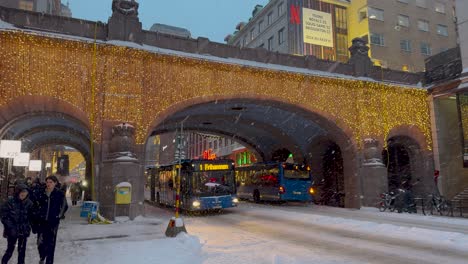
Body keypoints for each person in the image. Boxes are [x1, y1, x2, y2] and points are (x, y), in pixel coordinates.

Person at [33, 176, 68, 264]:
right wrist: (37, 213)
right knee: (40, 243)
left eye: (51, 182)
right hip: (41, 221)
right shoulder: (41, 192)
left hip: (53, 222)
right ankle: (42, 255)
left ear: (55, 183)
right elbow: (35, 205)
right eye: (47, 182)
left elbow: (64, 206)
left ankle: (49, 261)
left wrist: (59, 215)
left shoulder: (59, 193)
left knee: (51, 244)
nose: (48, 184)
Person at [1, 184, 33, 264]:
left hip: (23, 231)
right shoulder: (10, 201)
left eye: (25, 192)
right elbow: (4, 216)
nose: (23, 194)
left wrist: (28, 226)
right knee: (10, 250)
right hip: (12, 232)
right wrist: (11, 228)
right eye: (22, 192)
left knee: (22, 252)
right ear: (17, 192)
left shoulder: (29, 203)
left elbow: (31, 217)